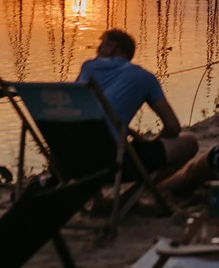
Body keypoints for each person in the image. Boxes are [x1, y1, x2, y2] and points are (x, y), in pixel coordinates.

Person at [75, 28, 198, 182]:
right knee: (190, 142)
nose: (97, 52)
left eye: (100, 47)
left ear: (112, 47)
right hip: (110, 165)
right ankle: (131, 198)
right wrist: (155, 142)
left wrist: (126, 130)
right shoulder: (144, 77)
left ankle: (102, 199)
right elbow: (173, 127)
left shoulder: (87, 68)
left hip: (70, 162)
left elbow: (82, 113)